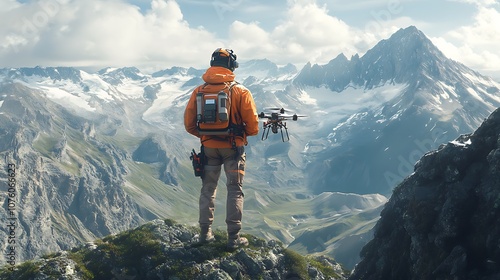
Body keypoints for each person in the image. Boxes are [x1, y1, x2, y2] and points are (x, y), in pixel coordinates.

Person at [184, 48, 259, 249]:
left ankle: (204, 234)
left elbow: (189, 124)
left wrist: (207, 136)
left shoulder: (199, 91)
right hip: (234, 148)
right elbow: (253, 126)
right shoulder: (241, 91)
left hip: (208, 149)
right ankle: (233, 239)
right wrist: (241, 134)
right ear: (231, 66)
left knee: (208, 189)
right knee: (234, 189)